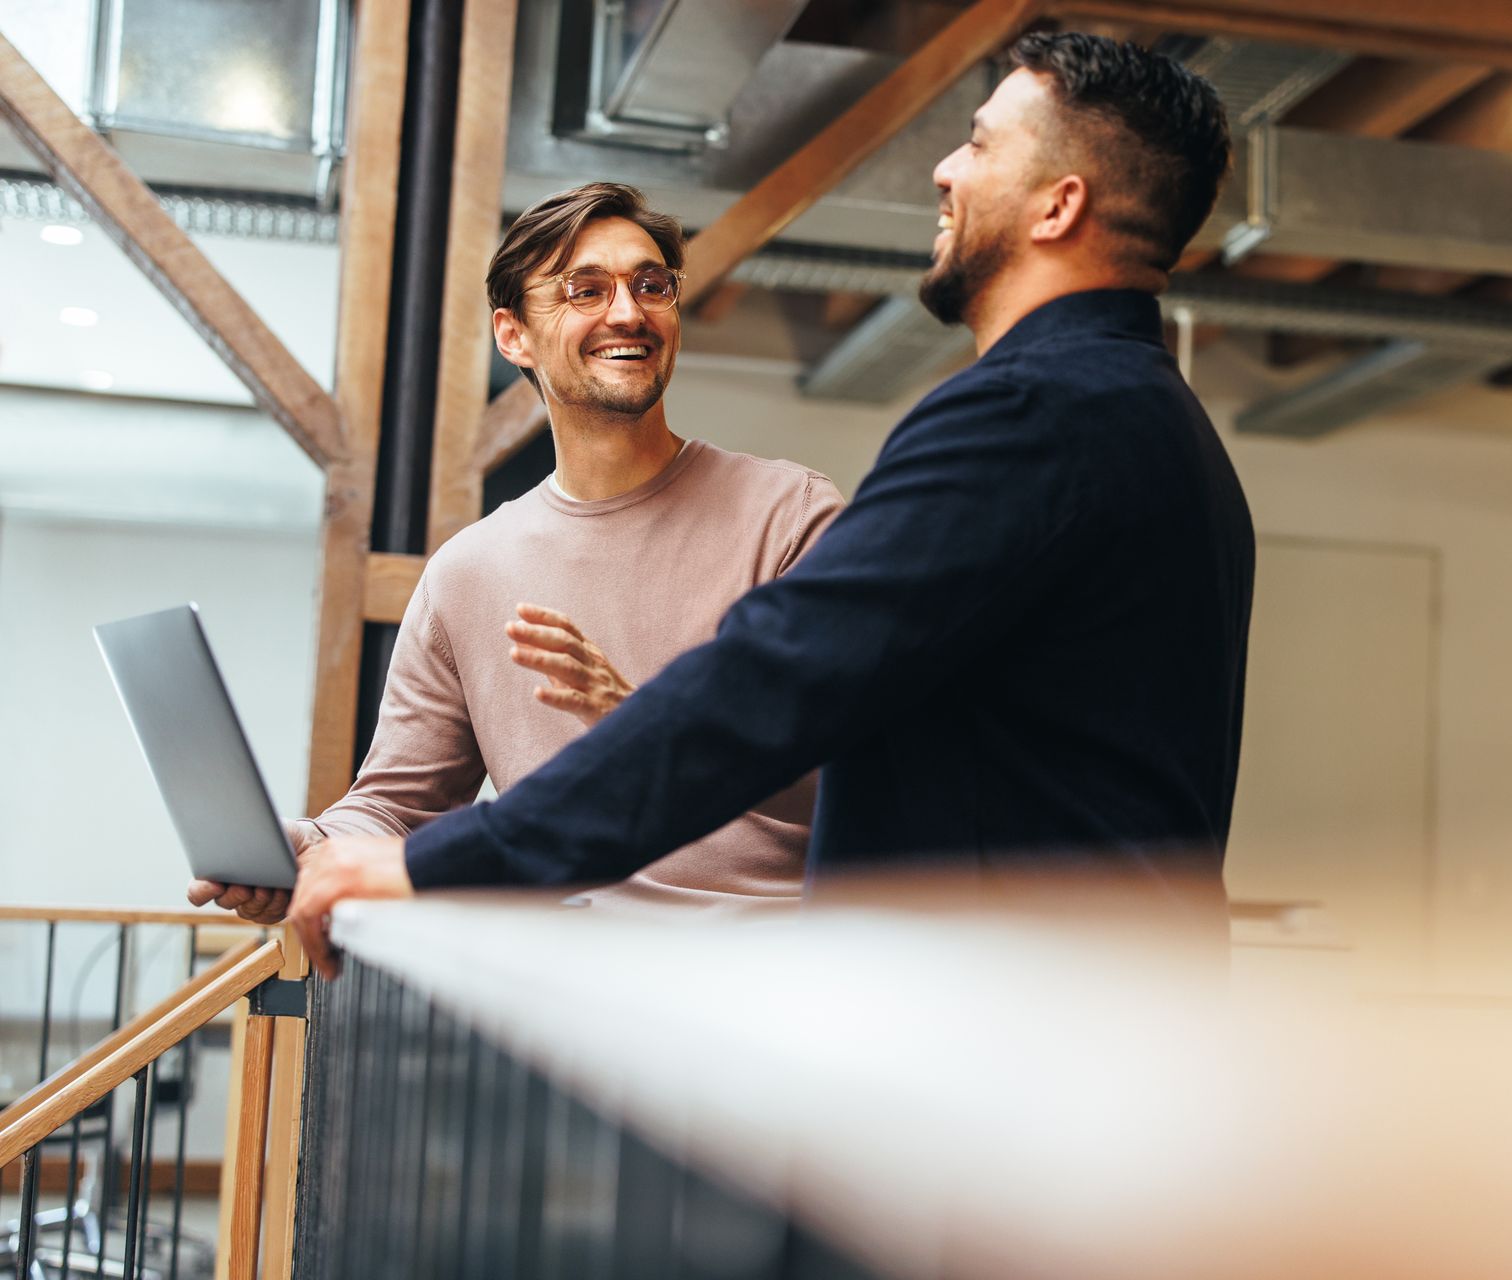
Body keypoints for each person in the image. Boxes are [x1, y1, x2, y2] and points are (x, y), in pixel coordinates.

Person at [283, 33, 1253, 975]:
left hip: (1024, 1039)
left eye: (982, 142)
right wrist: (343, 849)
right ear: (515, 334)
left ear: (1059, 206)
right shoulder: (1153, 420)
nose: (946, 169)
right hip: (1074, 1025)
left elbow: (768, 689)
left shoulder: (1030, 413)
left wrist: (437, 861)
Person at [190, 183, 843, 919]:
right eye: (584, 290)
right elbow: (400, 807)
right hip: (547, 982)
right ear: (514, 336)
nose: (628, 312)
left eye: (650, 284)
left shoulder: (790, 516)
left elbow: (866, 763)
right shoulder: (468, 572)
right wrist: (316, 846)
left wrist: (656, 724)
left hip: (763, 975)